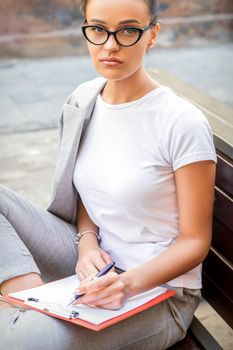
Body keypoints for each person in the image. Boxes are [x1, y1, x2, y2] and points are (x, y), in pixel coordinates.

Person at [0, 0, 217, 349]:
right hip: (91, 264)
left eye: (129, 30)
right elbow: (92, 190)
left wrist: (126, 284)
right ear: (85, 29)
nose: (110, 45)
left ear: (152, 34)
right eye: (98, 29)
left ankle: (22, 319)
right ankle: (25, 306)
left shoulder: (180, 122)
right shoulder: (84, 99)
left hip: (157, 292)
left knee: (25, 339)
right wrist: (86, 243)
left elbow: (194, 242)